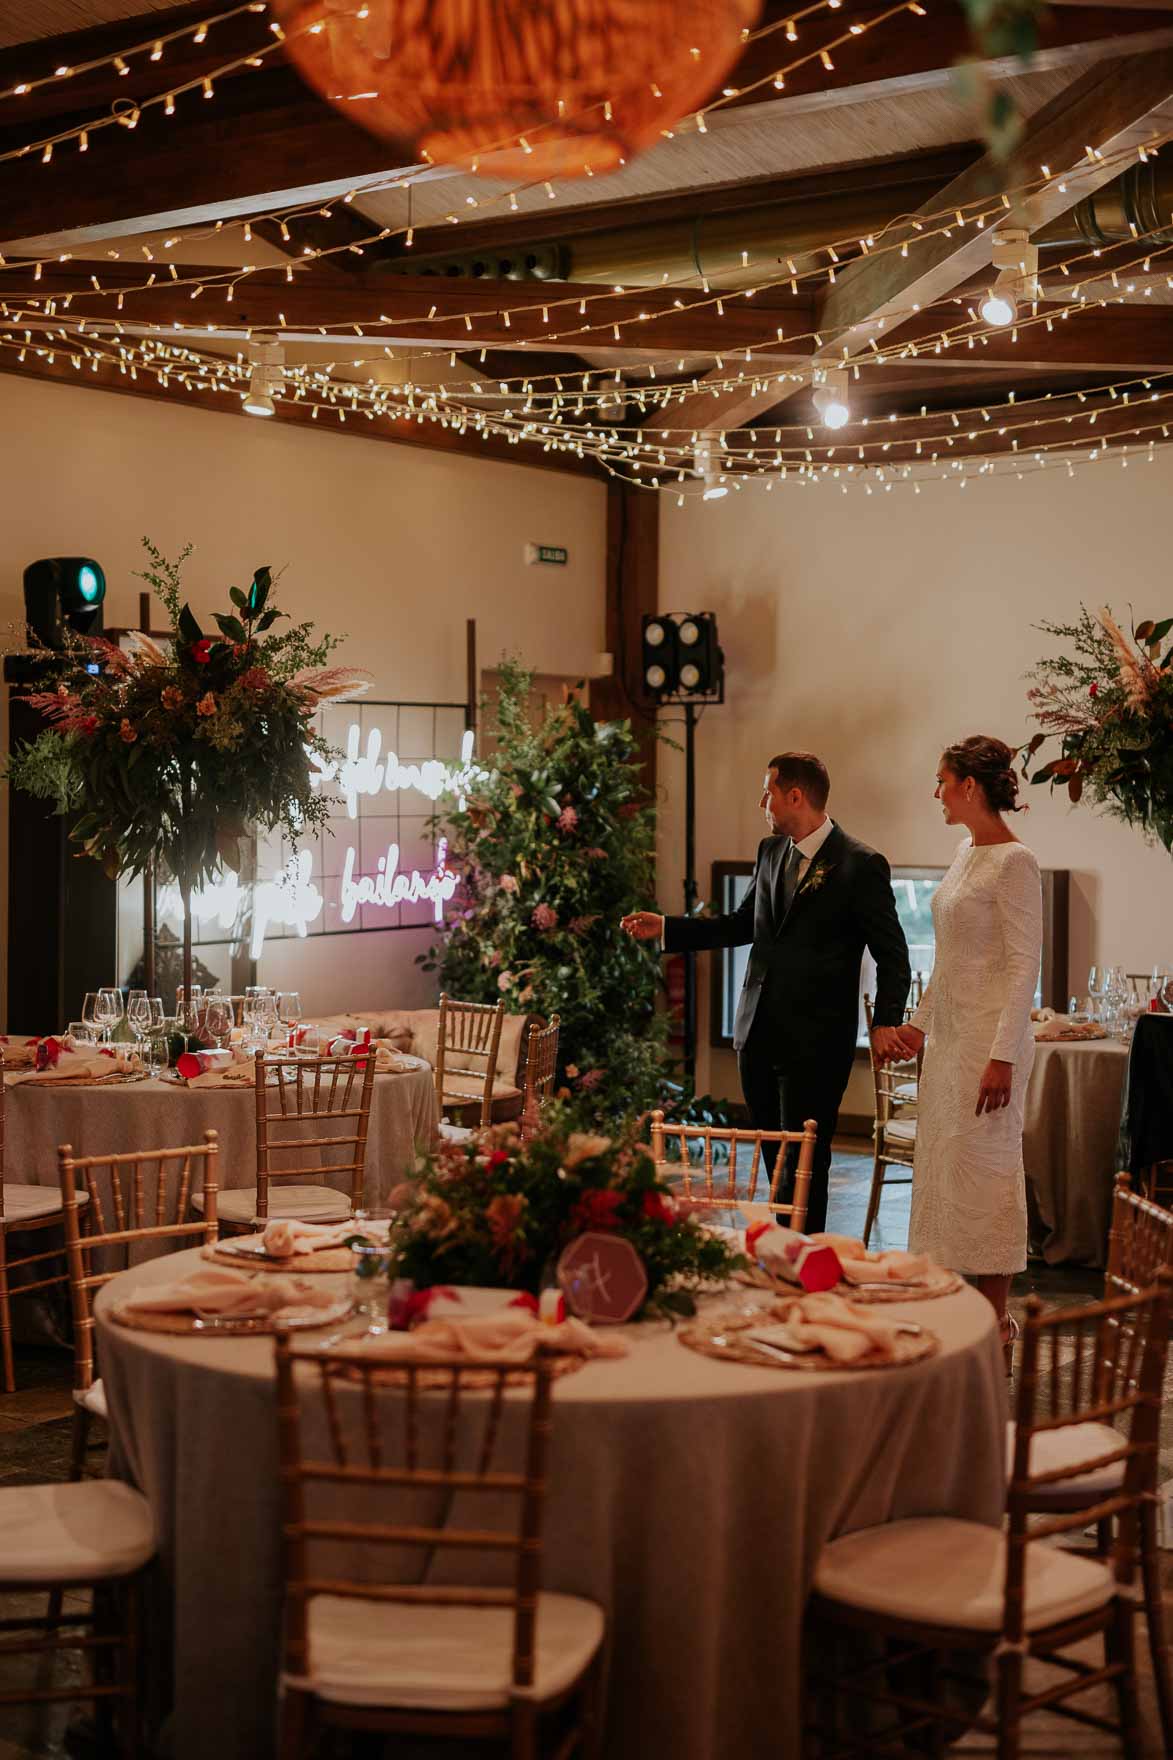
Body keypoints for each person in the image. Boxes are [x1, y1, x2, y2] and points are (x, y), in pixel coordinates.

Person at [621, 752, 911, 1234]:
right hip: (757, 1034)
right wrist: (669, 928)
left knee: (806, 1164)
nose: (763, 802)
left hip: (817, 1043)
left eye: (768, 792)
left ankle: (803, 1259)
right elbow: (740, 925)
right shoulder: (771, 852)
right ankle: (779, 1253)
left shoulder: (860, 864)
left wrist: (884, 1022)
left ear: (794, 795)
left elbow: (894, 954)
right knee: (775, 1159)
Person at [891, 736, 1043, 1351]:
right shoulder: (963, 853)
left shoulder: (1016, 862)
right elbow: (949, 962)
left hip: (990, 1042)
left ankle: (996, 1320)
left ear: (969, 788)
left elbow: (1022, 966)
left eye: (942, 781)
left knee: (989, 1170)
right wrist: (917, 1026)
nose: (936, 793)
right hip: (951, 1041)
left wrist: (1003, 1055)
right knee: (942, 1169)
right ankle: (949, 1305)